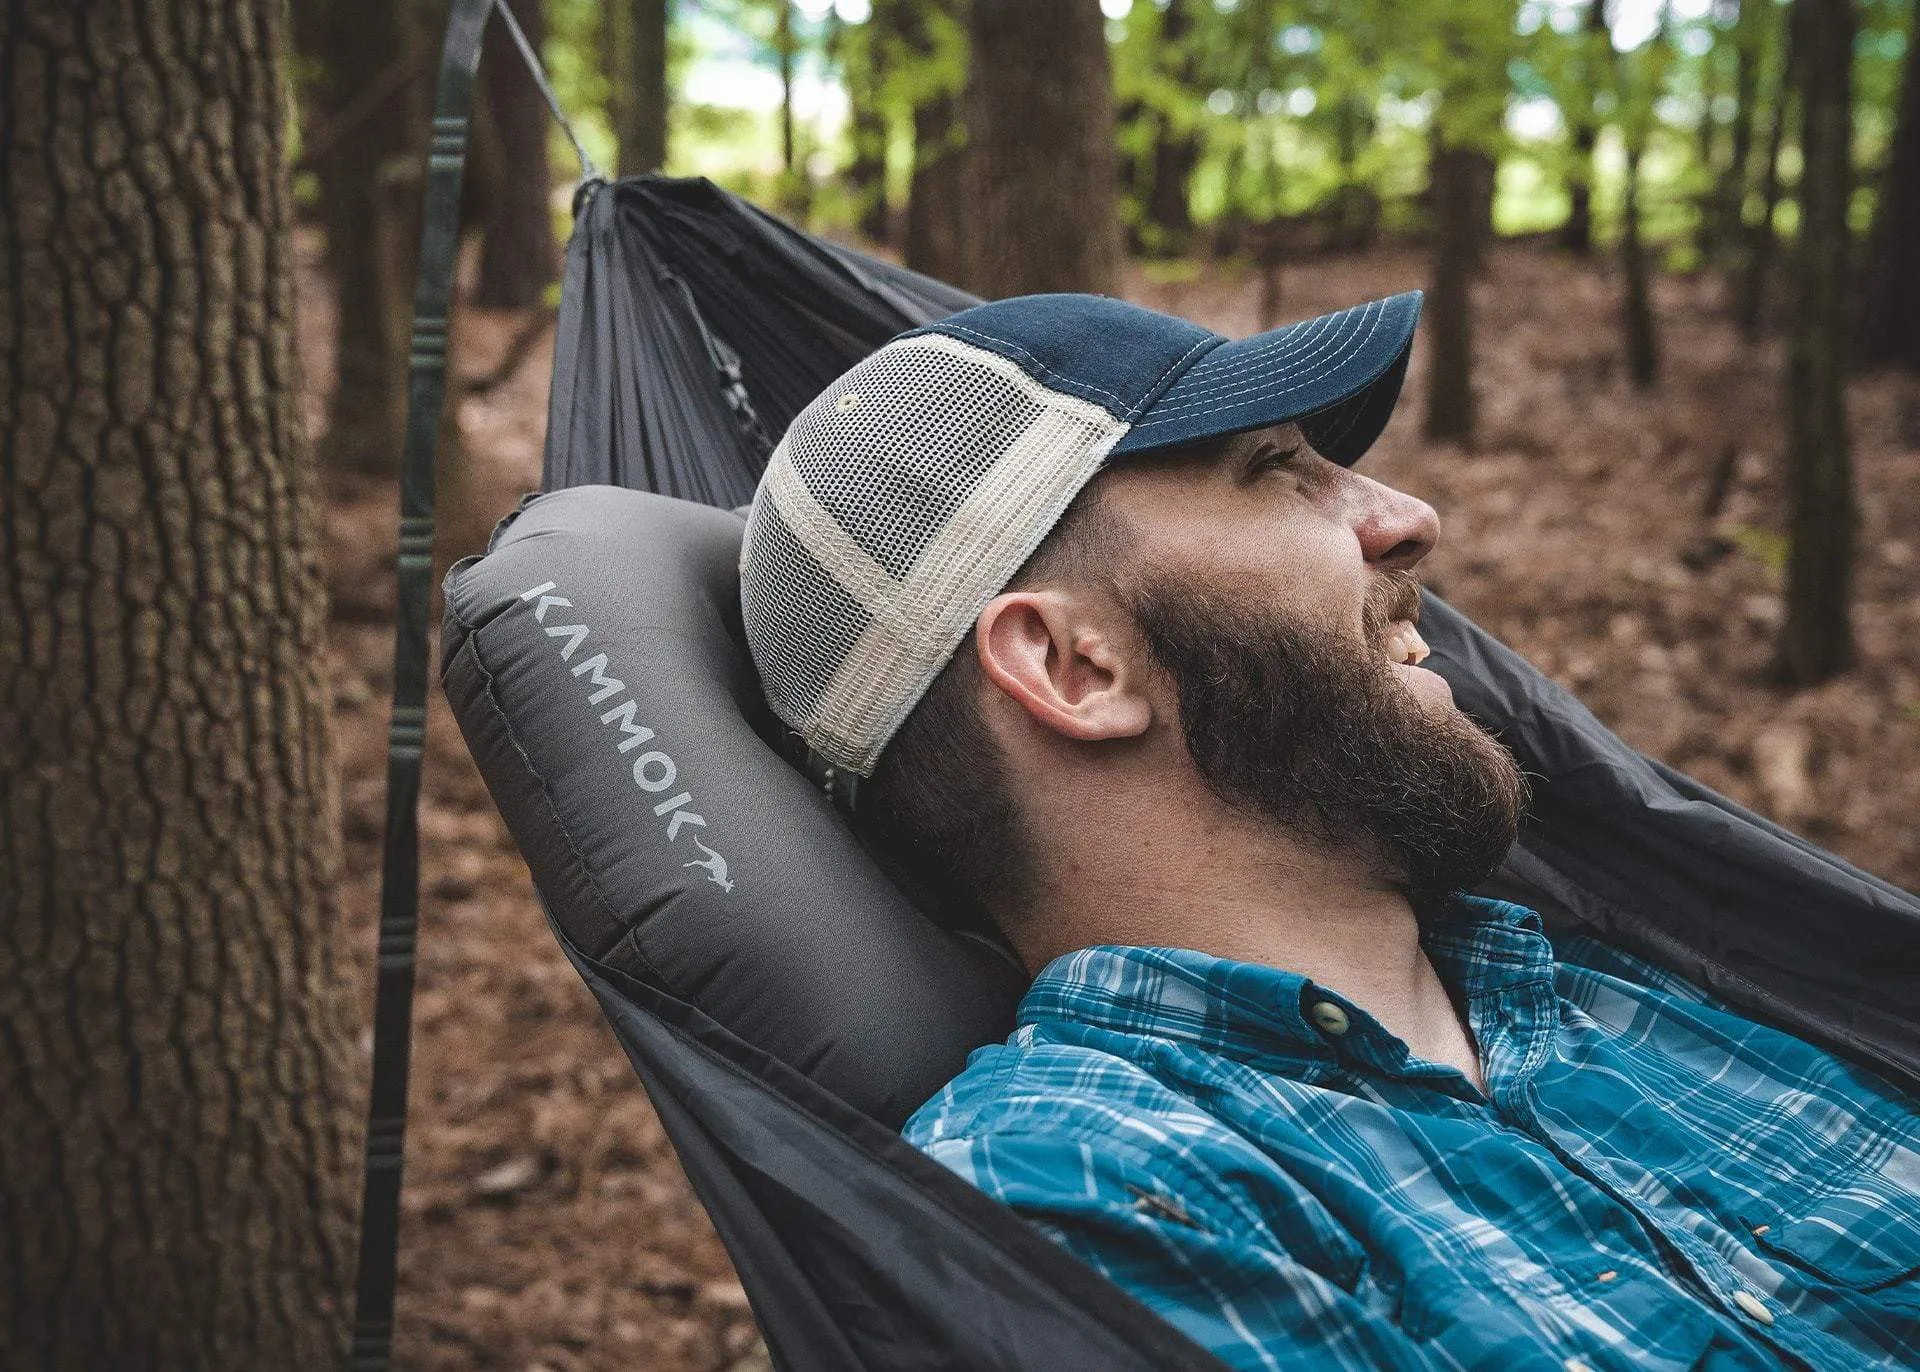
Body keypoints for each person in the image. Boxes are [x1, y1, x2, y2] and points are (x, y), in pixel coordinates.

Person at [736, 292, 1920, 1370]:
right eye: (1278, 471)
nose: (1412, 519)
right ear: (1072, 665)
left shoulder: (1620, 982)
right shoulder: (1080, 1196)